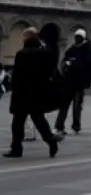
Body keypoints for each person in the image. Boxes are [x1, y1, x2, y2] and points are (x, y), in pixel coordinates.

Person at [3, 27, 60, 159]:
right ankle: (51, 141)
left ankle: (16, 149)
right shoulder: (45, 53)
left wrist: (13, 90)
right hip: (37, 93)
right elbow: (50, 72)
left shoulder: (22, 54)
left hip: (22, 94)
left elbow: (17, 76)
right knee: (39, 120)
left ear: (26, 38)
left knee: (17, 123)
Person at [54, 28, 91, 136]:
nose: (77, 39)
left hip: (79, 83)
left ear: (83, 38)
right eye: (76, 37)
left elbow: (87, 64)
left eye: (79, 37)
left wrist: (73, 63)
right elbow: (65, 60)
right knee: (64, 104)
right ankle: (59, 126)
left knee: (77, 106)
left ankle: (76, 126)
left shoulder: (87, 50)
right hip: (69, 81)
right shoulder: (72, 49)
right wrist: (66, 65)